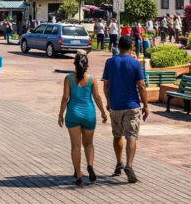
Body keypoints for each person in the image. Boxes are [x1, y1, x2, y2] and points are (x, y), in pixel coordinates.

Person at [101, 35, 148, 184]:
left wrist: (108, 101)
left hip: (115, 105)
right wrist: (145, 105)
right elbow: (141, 85)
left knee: (117, 135)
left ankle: (119, 162)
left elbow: (106, 84)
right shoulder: (135, 63)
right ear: (132, 46)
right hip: (132, 105)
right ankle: (129, 165)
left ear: (118, 46)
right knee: (131, 136)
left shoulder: (110, 62)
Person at [58, 53, 108, 185]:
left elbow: (65, 97)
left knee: (75, 145)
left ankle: (78, 175)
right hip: (89, 114)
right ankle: (90, 165)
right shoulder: (92, 79)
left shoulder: (68, 79)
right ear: (87, 65)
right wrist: (103, 112)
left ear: (74, 64)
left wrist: (60, 114)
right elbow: (97, 97)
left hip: (73, 114)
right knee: (88, 143)